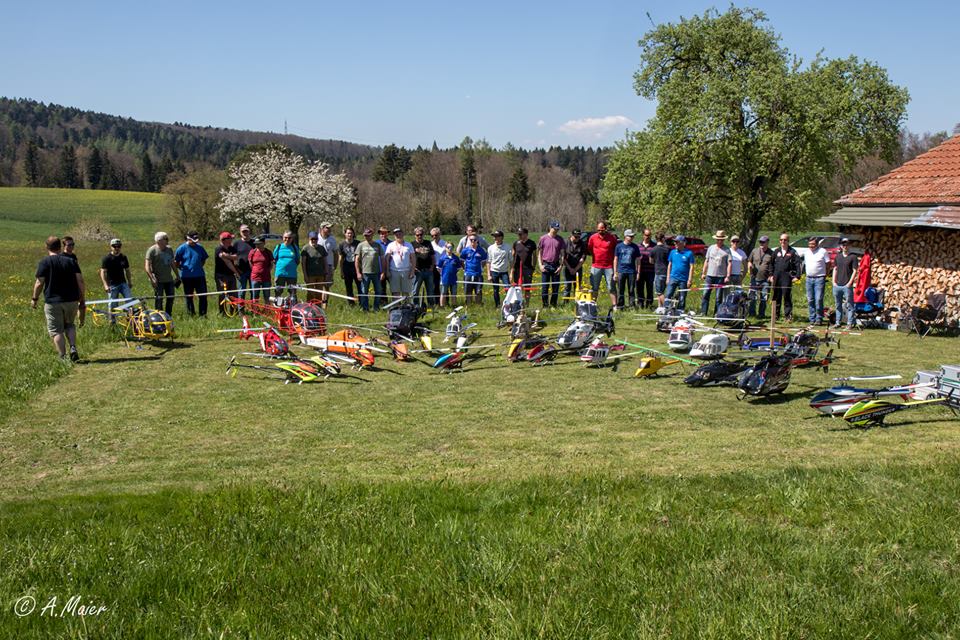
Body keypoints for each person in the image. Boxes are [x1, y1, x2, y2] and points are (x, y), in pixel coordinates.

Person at [32, 236, 85, 361]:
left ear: (46, 247)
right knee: (70, 325)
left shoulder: (44, 262)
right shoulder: (70, 261)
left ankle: (63, 357)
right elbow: (80, 281)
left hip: (53, 302)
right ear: (60, 247)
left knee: (57, 330)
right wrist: (81, 297)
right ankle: (73, 347)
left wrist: (35, 298)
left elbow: (39, 283)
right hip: (72, 300)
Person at [174, 231, 209, 316]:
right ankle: (191, 314)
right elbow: (176, 262)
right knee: (189, 297)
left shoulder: (200, 247)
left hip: (200, 276)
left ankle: (203, 314)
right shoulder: (181, 248)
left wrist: (198, 267)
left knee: (203, 296)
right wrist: (182, 269)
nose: (195, 241)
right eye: (193, 239)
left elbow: (203, 259)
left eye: (196, 239)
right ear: (188, 238)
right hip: (186, 277)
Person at [145, 231, 179, 314]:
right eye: (165, 239)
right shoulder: (152, 250)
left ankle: (168, 315)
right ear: (159, 240)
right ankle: (159, 316)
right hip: (158, 280)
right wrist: (152, 279)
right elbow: (147, 266)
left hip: (169, 279)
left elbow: (172, 263)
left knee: (171, 298)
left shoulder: (169, 249)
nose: (167, 240)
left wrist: (178, 275)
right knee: (159, 300)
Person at [700, 230, 731, 316]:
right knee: (705, 294)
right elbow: (706, 261)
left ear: (723, 240)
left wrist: (727, 276)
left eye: (721, 239)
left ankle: (717, 313)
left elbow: (729, 263)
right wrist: (703, 272)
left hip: (721, 276)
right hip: (710, 275)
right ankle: (703, 312)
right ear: (716, 239)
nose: (719, 241)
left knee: (718, 297)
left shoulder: (727, 250)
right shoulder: (711, 248)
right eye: (718, 239)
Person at [587, 220, 618, 307]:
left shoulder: (612, 238)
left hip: (609, 266)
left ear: (606, 229)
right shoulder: (592, 238)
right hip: (596, 266)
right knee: (594, 287)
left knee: (611, 287)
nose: (600, 231)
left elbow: (616, 250)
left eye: (602, 229)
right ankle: (593, 305)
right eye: (599, 230)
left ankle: (614, 306)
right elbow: (589, 249)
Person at [100, 238, 132, 321]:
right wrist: (106, 285)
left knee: (130, 301)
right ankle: (112, 322)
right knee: (113, 305)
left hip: (123, 283)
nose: (117, 248)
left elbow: (127, 270)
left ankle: (130, 320)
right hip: (112, 285)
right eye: (114, 246)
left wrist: (129, 282)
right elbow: (103, 272)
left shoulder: (123, 257)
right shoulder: (107, 258)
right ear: (111, 247)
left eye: (119, 246)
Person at [772, 233, 800, 322]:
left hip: (787, 277)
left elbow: (798, 264)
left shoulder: (792, 252)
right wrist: (770, 275)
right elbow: (771, 264)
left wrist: (797, 276)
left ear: (788, 241)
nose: (783, 241)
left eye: (785, 240)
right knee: (776, 297)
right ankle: (775, 316)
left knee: (787, 296)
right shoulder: (776, 251)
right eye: (781, 240)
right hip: (777, 277)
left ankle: (788, 316)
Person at [355, 228, 385, 311]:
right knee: (364, 292)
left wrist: (383, 272)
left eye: (368, 235)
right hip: (365, 273)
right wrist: (358, 273)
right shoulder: (361, 245)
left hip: (376, 272)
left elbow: (382, 259)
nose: (367, 237)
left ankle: (376, 307)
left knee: (378, 291)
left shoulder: (377, 245)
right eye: (365, 235)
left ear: (372, 235)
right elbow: (357, 259)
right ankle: (365, 308)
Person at [831, 237, 858, 329]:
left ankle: (850, 323)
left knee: (850, 305)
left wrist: (850, 283)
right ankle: (838, 322)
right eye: (843, 244)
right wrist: (833, 281)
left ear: (849, 246)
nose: (845, 246)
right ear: (841, 246)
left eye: (847, 244)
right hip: (837, 285)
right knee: (838, 305)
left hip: (847, 285)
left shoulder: (853, 257)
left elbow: (855, 271)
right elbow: (835, 269)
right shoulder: (838, 256)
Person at [538, 221, 566, 307]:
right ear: (550, 227)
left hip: (556, 265)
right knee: (545, 287)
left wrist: (561, 266)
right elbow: (539, 253)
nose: (556, 231)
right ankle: (545, 305)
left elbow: (562, 254)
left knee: (555, 287)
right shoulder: (543, 238)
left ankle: (553, 305)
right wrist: (540, 265)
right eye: (554, 229)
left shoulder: (560, 239)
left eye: (557, 229)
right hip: (546, 264)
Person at [803, 237, 830, 325]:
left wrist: (826, 273)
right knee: (810, 299)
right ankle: (812, 318)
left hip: (820, 278)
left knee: (818, 299)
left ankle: (819, 318)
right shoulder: (806, 252)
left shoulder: (823, 251)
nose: (811, 246)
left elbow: (828, 263)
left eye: (813, 244)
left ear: (817, 244)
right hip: (809, 278)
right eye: (810, 244)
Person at [665, 235, 695, 311]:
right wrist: (668, 277)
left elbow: (691, 267)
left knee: (682, 296)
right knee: (668, 294)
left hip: (683, 279)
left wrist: (689, 280)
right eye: (674, 242)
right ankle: (666, 309)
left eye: (677, 242)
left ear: (683, 243)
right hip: (673, 277)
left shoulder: (689, 253)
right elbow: (669, 265)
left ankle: (680, 310)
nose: (675, 244)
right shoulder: (672, 252)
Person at [747, 235, 775, 318]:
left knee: (764, 298)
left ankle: (761, 314)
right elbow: (749, 261)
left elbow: (773, 266)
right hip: (754, 278)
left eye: (763, 242)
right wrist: (750, 266)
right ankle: (752, 314)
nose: (761, 243)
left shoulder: (771, 253)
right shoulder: (754, 251)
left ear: (767, 243)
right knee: (752, 297)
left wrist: (771, 275)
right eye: (760, 242)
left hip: (765, 279)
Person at [214, 231, 240, 315]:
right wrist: (230, 258)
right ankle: (223, 313)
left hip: (231, 274)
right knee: (223, 294)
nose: (232, 240)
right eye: (230, 238)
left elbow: (236, 257)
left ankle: (234, 312)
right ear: (225, 240)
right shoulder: (218, 249)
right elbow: (227, 262)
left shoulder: (231, 248)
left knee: (234, 294)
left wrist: (227, 256)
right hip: (221, 276)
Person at [613, 229, 641, 309]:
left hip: (631, 271)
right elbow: (615, 259)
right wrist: (615, 272)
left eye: (633, 236)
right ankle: (620, 305)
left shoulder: (635, 247)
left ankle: (632, 305)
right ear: (625, 236)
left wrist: (638, 272)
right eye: (630, 236)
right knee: (620, 289)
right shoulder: (619, 246)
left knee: (631, 290)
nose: (632, 237)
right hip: (621, 271)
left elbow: (638, 260)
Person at [385, 228, 415, 300]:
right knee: (395, 292)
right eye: (396, 234)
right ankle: (396, 308)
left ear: (403, 234)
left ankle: (406, 308)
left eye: (400, 233)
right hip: (394, 271)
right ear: (394, 235)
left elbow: (413, 259)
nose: (398, 235)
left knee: (406, 292)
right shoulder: (390, 245)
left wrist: (412, 271)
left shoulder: (409, 245)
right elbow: (386, 259)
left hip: (406, 271)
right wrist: (387, 271)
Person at [300, 231, 328, 303]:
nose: (314, 241)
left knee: (319, 293)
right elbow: (303, 263)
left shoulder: (321, 248)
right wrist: (305, 275)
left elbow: (325, 261)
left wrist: (326, 272)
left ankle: (318, 308)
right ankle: (309, 307)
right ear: (309, 239)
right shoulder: (305, 248)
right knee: (311, 293)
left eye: (315, 239)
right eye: (312, 239)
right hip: (310, 275)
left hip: (320, 274)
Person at [411, 226, 436, 306]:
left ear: (423, 235)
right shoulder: (412, 244)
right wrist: (413, 268)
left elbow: (432, 256)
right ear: (415, 235)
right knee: (415, 290)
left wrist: (432, 267)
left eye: (421, 234)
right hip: (417, 271)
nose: (419, 236)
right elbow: (409, 258)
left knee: (430, 290)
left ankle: (431, 306)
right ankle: (415, 306)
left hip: (428, 270)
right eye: (417, 235)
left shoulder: (428, 243)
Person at [460, 235, 488, 305]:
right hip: (468, 274)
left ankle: (478, 305)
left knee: (478, 291)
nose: (473, 241)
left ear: (477, 241)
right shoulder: (465, 250)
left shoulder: (481, 250)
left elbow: (484, 261)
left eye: (474, 240)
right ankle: (468, 305)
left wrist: (481, 268)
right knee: (468, 291)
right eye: (471, 240)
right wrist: (464, 269)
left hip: (478, 274)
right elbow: (461, 260)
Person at [486, 230, 512, 307]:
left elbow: (511, 261)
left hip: (504, 272)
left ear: (501, 237)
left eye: (497, 236)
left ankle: (508, 305)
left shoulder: (507, 247)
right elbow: (488, 261)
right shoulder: (490, 248)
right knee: (495, 290)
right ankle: (497, 305)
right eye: (494, 236)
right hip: (494, 271)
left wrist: (511, 273)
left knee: (508, 289)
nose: (495, 238)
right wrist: (488, 274)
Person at [511, 228, 537, 302]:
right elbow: (512, 256)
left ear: (526, 234)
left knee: (527, 287)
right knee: (517, 287)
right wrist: (512, 269)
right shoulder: (516, 243)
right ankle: (517, 303)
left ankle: (527, 303)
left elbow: (534, 256)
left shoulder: (532, 243)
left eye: (520, 234)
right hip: (517, 269)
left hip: (528, 268)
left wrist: (533, 267)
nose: (519, 236)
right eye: (518, 234)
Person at [273, 231, 299, 299]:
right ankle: (277, 308)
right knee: (278, 292)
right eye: (285, 237)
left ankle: (292, 308)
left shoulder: (295, 247)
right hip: (280, 274)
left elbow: (298, 260)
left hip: (292, 275)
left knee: (292, 293)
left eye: (289, 238)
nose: (287, 239)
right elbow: (274, 259)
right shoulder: (278, 247)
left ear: (292, 239)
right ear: (283, 238)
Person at [563, 229, 586, 301]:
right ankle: (566, 303)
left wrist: (575, 269)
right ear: (571, 235)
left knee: (577, 286)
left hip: (578, 268)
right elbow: (563, 258)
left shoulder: (582, 243)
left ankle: (577, 302)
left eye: (579, 237)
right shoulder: (565, 242)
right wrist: (570, 269)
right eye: (575, 237)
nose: (577, 239)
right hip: (567, 267)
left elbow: (583, 258)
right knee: (567, 286)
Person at [248, 236, 273, 302]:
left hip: (266, 278)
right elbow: (250, 263)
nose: (257, 245)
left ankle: (267, 311)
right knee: (255, 296)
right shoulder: (252, 252)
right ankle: (256, 311)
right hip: (255, 278)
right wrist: (255, 270)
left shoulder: (268, 252)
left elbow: (271, 264)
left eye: (259, 243)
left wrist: (267, 271)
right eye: (256, 244)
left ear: (264, 243)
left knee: (267, 295)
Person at [338, 227, 359, 305]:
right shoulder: (341, 244)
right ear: (345, 234)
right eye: (348, 233)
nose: (349, 234)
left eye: (351, 233)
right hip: (346, 268)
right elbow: (340, 258)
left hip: (356, 268)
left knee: (359, 286)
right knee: (348, 287)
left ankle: (362, 302)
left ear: (353, 234)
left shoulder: (358, 243)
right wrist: (341, 271)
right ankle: (351, 303)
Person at [650, 232, 671, 308]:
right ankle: (660, 307)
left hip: (658, 272)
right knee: (663, 292)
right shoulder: (668, 249)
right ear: (663, 239)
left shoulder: (653, 249)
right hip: (667, 272)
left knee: (659, 292)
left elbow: (651, 261)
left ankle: (667, 307)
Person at [319, 222, 338, 303]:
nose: (329, 229)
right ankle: (316, 304)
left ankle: (324, 305)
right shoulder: (316, 238)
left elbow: (336, 254)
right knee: (318, 286)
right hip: (318, 266)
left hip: (329, 265)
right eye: (327, 228)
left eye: (330, 228)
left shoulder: (332, 239)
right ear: (322, 228)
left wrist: (335, 266)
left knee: (326, 286)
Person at [437, 243, 461, 307]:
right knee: (443, 293)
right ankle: (442, 306)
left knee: (454, 293)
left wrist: (453, 272)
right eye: (448, 247)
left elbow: (458, 268)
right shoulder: (442, 258)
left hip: (453, 279)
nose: (450, 249)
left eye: (451, 247)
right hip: (445, 278)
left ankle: (454, 305)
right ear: (445, 248)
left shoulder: (456, 258)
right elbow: (439, 268)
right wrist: (443, 274)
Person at [234, 224, 255, 299]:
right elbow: (233, 258)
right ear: (240, 232)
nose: (245, 233)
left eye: (246, 231)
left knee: (254, 291)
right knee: (241, 292)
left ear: (249, 232)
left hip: (253, 271)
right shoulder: (237, 243)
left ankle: (253, 309)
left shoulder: (254, 243)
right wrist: (236, 270)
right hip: (241, 271)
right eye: (243, 231)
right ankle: (241, 310)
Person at [637, 229, 656, 308]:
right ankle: (640, 303)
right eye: (646, 235)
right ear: (643, 235)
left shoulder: (654, 246)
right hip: (640, 271)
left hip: (650, 271)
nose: (647, 237)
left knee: (649, 288)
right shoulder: (638, 246)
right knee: (639, 288)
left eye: (649, 235)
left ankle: (649, 304)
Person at [429, 227, 448, 303]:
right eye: (432, 236)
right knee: (435, 285)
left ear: (439, 234)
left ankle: (446, 301)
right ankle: (437, 302)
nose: (434, 237)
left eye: (436, 235)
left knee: (445, 285)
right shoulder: (430, 244)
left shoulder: (445, 244)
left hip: (444, 267)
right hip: (434, 267)